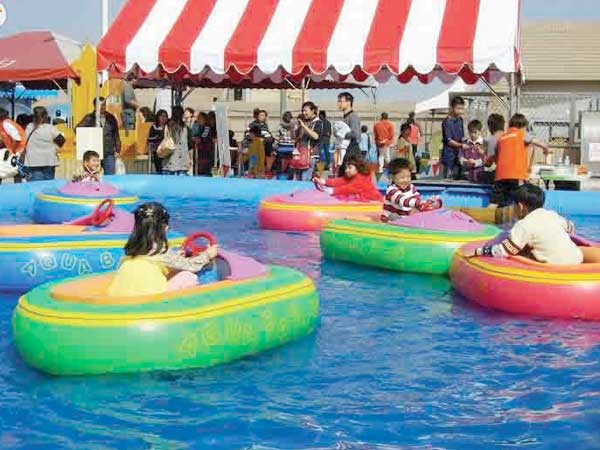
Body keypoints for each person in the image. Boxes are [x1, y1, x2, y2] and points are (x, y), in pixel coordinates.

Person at [108, 202, 218, 297]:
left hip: (118, 295)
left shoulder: (132, 248)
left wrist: (176, 256)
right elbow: (191, 266)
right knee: (188, 276)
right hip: (151, 299)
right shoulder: (161, 251)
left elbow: (151, 262)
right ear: (164, 228)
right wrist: (207, 255)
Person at [469, 184, 583, 265]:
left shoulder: (524, 225)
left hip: (554, 267)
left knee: (521, 253)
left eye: (513, 206)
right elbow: (570, 227)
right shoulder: (551, 215)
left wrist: (478, 251)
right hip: (576, 260)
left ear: (520, 207)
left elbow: (503, 251)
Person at [491, 113, 549, 207]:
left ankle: (485, 217)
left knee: (494, 202)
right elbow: (538, 143)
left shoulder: (502, 137)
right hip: (516, 175)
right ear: (522, 126)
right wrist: (546, 149)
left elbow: (496, 156)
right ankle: (520, 220)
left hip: (500, 175)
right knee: (521, 202)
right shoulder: (520, 134)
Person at [76, 97, 121, 175]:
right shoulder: (89, 118)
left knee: (110, 176)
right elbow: (77, 129)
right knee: (92, 175)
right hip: (93, 152)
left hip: (108, 152)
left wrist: (118, 149)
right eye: (100, 105)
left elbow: (116, 135)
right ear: (95, 106)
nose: (102, 107)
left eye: (104, 105)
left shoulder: (111, 118)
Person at [24, 106, 66, 181]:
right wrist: (55, 147)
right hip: (49, 161)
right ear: (45, 116)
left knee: (35, 187)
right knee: (47, 186)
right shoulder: (50, 128)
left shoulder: (29, 127)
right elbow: (61, 140)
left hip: (32, 162)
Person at [313, 156, 381, 202]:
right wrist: (324, 182)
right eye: (346, 168)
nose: (346, 170)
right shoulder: (351, 177)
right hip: (363, 201)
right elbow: (339, 181)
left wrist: (333, 190)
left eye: (350, 168)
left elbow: (349, 188)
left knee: (342, 196)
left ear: (358, 168)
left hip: (373, 201)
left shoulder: (362, 179)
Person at [294, 101, 322, 181]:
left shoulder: (318, 122)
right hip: (300, 154)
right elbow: (296, 137)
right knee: (297, 179)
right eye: (303, 111)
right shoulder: (304, 122)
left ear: (313, 110)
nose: (304, 113)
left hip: (310, 155)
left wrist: (304, 127)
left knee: (304, 179)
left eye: (306, 110)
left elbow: (316, 136)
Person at [161, 106, 192, 176]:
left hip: (168, 161)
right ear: (182, 114)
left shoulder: (167, 126)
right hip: (182, 162)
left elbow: (162, 140)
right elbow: (190, 145)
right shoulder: (186, 128)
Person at [441, 96, 466, 180]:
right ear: (452, 108)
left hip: (458, 155)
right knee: (448, 178)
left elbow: (461, 137)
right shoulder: (447, 122)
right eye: (458, 108)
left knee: (458, 177)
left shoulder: (460, 120)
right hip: (449, 155)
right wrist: (461, 145)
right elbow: (449, 141)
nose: (460, 111)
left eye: (462, 108)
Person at [337, 92, 361, 175]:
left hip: (352, 152)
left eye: (341, 101)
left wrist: (341, 134)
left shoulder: (353, 116)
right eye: (338, 101)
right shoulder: (345, 117)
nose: (338, 103)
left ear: (348, 102)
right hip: (346, 151)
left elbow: (356, 134)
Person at [482, 113, 505, 186]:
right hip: (516, 174)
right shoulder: (508, 136)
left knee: (480, 175)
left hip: (502, 174)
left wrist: (483, 153)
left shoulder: (492, 139)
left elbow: (488, 164)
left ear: (490, 127)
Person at [275, 111, 296, 178]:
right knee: (290, 165)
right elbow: (295, 138)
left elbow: (277, 138)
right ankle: (289, 178)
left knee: (280, 166)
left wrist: (274, 147)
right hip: (291, 149)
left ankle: (279, 178)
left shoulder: (280, 127)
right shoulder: (294, 127)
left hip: (281, 148)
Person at [147, 109, 168, 173]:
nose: (163, 118)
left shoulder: (169, 126)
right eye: (161, 116)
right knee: (159, 169)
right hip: (158, 151)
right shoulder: (154, 127)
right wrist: (158, 137)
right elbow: (150, 139)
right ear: (158, 117)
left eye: (165, 116)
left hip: (168, 151)